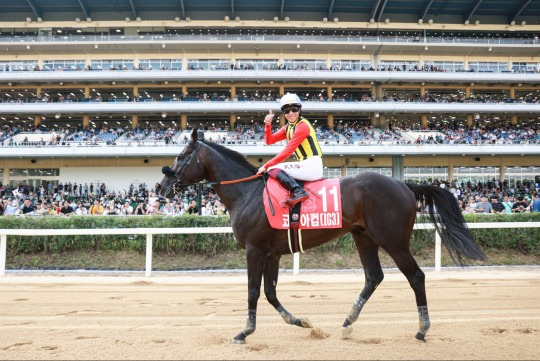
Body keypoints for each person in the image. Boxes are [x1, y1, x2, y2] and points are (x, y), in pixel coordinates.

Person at [256, 93, 323, 206]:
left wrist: (266, 166)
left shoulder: (302, 126)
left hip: (312, 164)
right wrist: (268, 125)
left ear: (299, 109)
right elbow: (269, 140)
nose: (291, 113)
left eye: (294, 109)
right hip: (305, 164)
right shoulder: (288, 127)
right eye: (287, 110)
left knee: (273, 168)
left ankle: (298, 191)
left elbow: (288, 151)